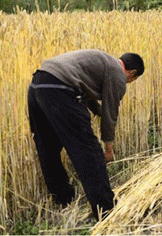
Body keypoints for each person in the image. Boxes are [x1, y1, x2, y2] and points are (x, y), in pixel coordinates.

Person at [27, 49, 144, 219]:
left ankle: (63, 199)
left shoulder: (103, 62)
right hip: (61, 89)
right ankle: (106, 209)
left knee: (48, 148)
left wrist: (99, 112)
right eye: (131, 81)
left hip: (38, 84)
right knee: (89, 151)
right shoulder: (118, 74)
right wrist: (108, 146)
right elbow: (110, 114)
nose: (128, 83)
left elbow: (87, 95)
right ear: (132, 74)